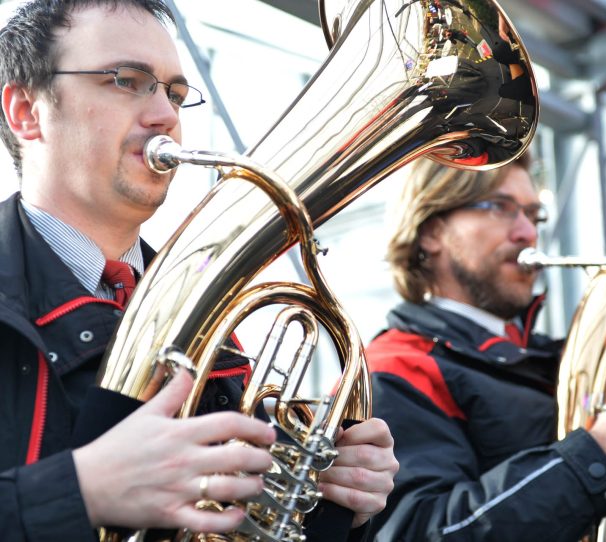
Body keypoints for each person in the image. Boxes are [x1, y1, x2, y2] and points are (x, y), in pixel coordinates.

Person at [0, 1, 397, 540]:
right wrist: (82, 491)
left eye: (176, 94)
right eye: (128, 80)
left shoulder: (210, 314)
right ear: (26, 111)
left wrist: (331, 500)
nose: (166, 115)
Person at [363, 155, 606, 541]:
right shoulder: (396, 366)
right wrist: (596, 458)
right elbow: (415, 530)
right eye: (500, 207)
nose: (527, 232)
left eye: (534, 215)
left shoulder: (548, 359)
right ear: (431, 232)